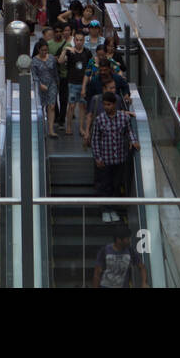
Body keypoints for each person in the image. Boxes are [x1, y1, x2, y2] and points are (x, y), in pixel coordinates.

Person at [90, 91, 140, 223]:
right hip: (105, 160)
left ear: (114, 104)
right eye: (104, 104)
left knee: (116, 185)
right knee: (105, 185)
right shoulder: (99, 120)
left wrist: (134, 141)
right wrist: (98, 158)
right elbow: (95, 140)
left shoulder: (124, 118)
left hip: (119, 159)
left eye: (109, 104)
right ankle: (105, 210)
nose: (106, 107)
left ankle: (112, 209)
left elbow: (129, 131)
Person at [63, 31, 91, 138]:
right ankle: (68, 126)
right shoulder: (70, 52)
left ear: (84, 41)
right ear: (74, 40)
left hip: (83, 83)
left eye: (81, 40)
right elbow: (61, 61)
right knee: (71, 106)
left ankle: (81, 128)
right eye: (77, 40)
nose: (79, 42)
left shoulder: (87, 52)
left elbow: (90, 67)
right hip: (72, 82)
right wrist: (65, 50)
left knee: (82, 106)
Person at [30, 39, 60, 137]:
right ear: (38, 49)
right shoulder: (34, 61)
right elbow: (34, 75)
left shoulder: (51, 58)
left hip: (52, 84)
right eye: (43, 50)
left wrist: (57, 82)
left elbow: (55, 71)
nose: (44, 52)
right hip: (41, 85)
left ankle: (51, 129)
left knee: (51, 106)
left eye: (46, 50)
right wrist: (39, 84)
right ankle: (42, 129)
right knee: (41, 107)